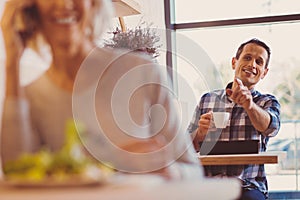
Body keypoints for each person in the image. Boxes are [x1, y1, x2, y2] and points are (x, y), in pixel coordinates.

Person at [0, 0, 203, 180]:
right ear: (31, 7)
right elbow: (16, 172)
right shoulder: (29, 96)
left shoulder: (142, 71)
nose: (63, 4)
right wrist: (12, 61)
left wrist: (169, 172)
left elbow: (193, 172)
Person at [188, 38, 281, 199]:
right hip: (209, 185)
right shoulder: (207, 99)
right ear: (234, 62)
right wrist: (200, 133)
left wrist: (249, 105)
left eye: (259, 62)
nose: (252, 64)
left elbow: (271, 128)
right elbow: (186, 146)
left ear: (264, 73)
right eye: (247, 57)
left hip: (247, 186)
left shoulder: (267, 102)